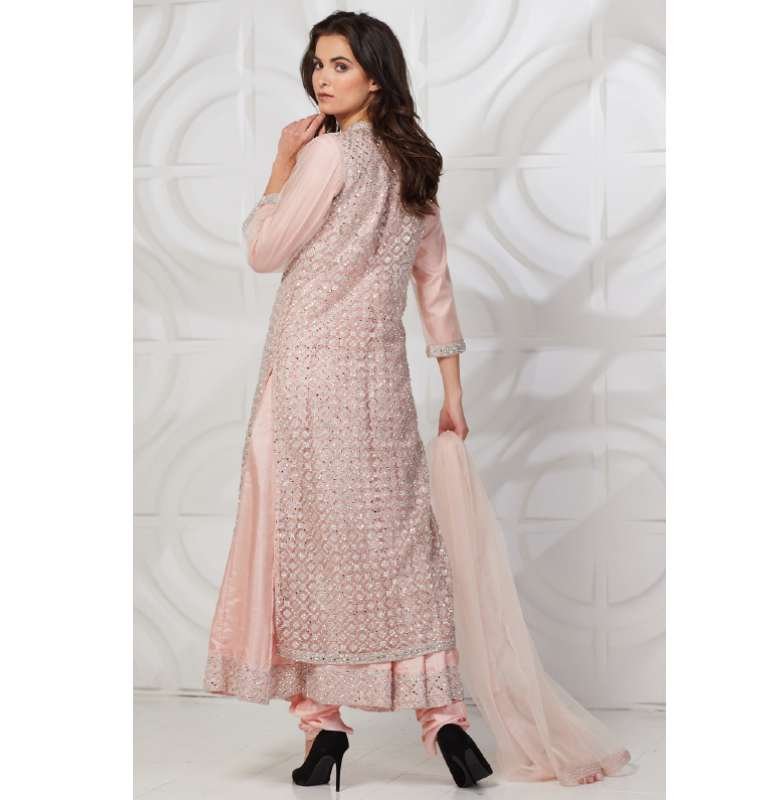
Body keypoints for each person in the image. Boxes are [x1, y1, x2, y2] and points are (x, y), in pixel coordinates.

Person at [203, 10, 494, 790]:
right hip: (380, 381)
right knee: (399, 545)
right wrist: (452, 393)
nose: (321, 79)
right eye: (317, 64)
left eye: (339, 65)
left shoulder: (327, 155)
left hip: (304, 376)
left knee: (299, 545)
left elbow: (264, 251)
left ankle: (323, 729)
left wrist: (279, 166)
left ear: (375, 75)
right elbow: (435, 286)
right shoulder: (416, 167)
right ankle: (446, 722)